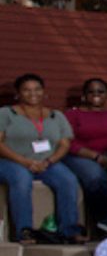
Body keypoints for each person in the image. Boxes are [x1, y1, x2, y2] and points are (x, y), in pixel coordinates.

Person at [0, 73, 83, 243]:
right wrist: (25, 162)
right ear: (18, 93)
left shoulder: (56, 116)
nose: (33, 94)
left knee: (68, 180)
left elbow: (64, 144)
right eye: (27, 90)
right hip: (12, 161)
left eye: (37, 89)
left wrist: (49, 161)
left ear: (44, 92)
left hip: (47, 162)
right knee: (21, 179)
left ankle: (69, 231)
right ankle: (25, 231)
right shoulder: (5, 113)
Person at [63, 77, 107, 230]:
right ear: (84, 95)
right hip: (82, 156)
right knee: (95, 176)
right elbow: (68, 142)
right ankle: (104, 218)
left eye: (100, 91)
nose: (96, 94)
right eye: (91, 92)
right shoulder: (73, 115)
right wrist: (96, 157)